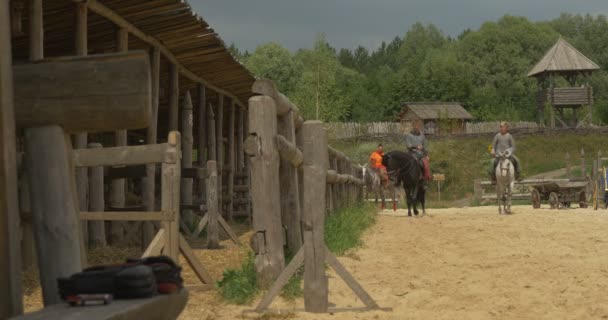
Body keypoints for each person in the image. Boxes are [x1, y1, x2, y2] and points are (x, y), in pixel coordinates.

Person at [405, 120, 431, 185]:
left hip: (421, 154)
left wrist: (426, 155)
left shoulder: (422, 135)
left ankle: (424, 179)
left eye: (418, 125)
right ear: (413, 126)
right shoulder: (409, 135)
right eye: (415, 125)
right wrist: (416, 147)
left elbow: (425, 146)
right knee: (414, 163)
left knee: (426, 165)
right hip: (412, 154)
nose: (417, 127)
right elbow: (408, 146)